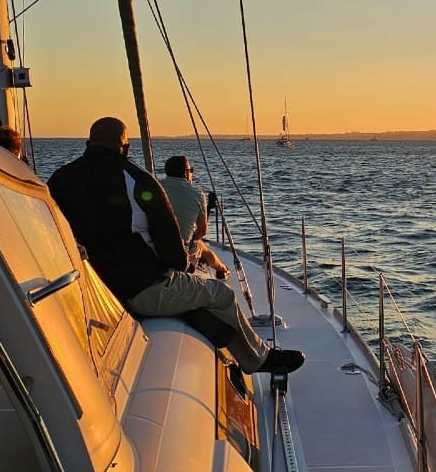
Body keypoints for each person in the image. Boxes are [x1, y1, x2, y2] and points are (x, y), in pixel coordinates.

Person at [47, 117, 303, 375]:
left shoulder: (59, 180)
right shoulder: (139, 181)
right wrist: (183, 265)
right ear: (125, 148)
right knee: (221, 295)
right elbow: (174, 256)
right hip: (140, 289)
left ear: (88, 143)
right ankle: (258, 360)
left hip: (92, 289)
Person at [159, 155, 230, 279]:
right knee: (200, 245)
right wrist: (194, 237)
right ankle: (222, 269)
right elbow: (202, 231)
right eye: (191, 171)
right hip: (180, 252)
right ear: (186, 173)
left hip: (156, 245)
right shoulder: (197, 194)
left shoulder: (155, 186)